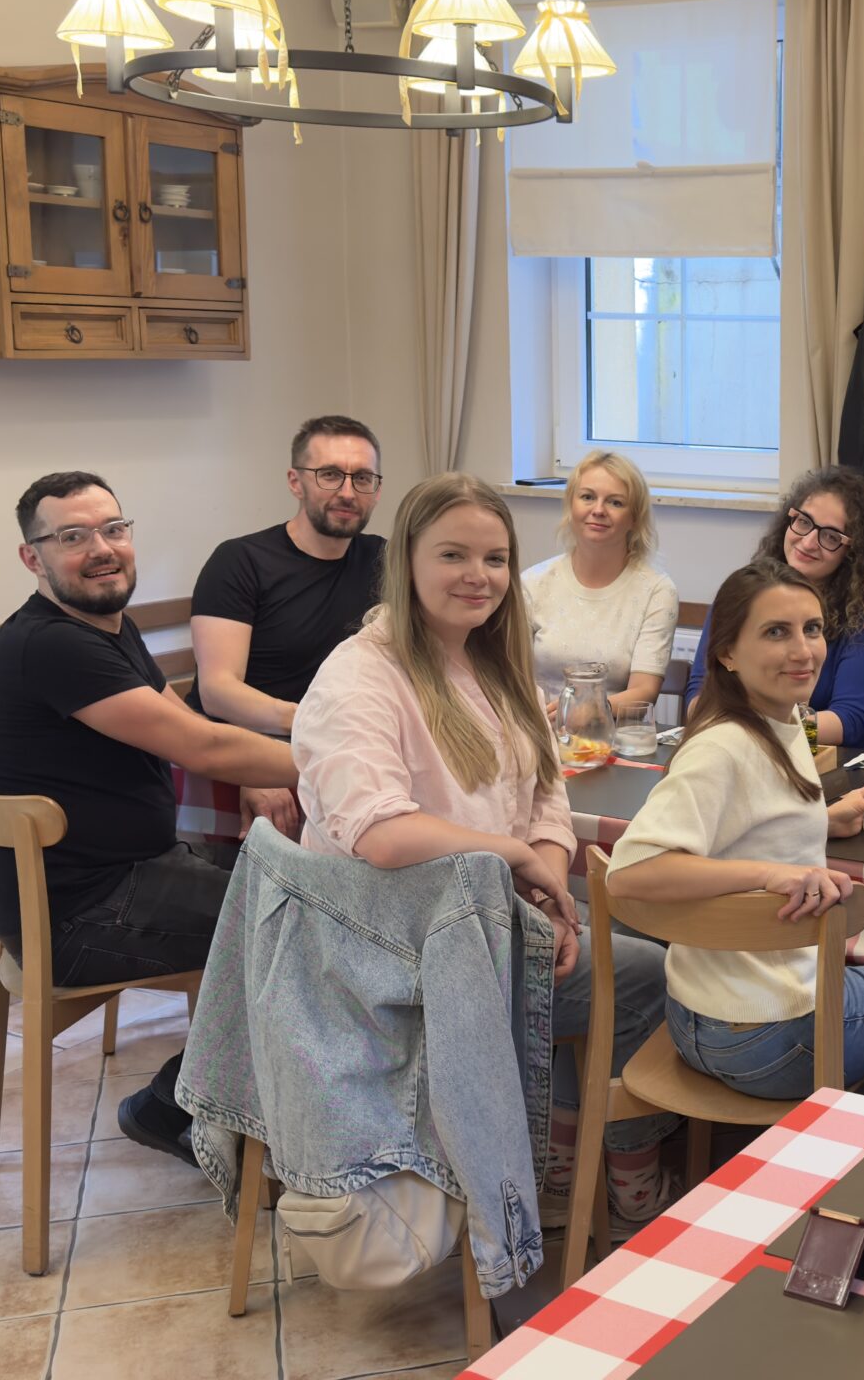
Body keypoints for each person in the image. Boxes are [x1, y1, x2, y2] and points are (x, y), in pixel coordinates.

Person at [292, 473, 681, 1227]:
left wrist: (546, 892)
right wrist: (519, 860)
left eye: (496, 559)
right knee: (649, 976)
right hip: (396, 959)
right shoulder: (359, 675)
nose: (479, 576)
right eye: (453, 556)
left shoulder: (494, 664)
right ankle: (612, 1176)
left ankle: (559, 1160)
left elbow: (546, 797)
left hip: (482, 933)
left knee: (624, 945)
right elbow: (381, 833)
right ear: (406, 562)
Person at [0, 471, 297, 1164]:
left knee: (299, 887)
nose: (101, 549)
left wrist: (258, 768)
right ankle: (174, 1107)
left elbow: (179, 722)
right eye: (73, 537)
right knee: (304, 928)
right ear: (32, 558)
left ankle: (250, 1105)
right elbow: (202, 747)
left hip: (129, 874)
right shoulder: (54, 644)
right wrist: (347, 761)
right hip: (83, 917)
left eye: (113, 529)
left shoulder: (102, 626)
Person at [608, 560, 864, 1099]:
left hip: (702, 1014)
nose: (804, 650)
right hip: (762, 1034)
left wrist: (822, 819)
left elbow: (749, 817)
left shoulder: (784, 721)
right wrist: (769, 873)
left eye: (812, 629)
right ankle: (843, 1133)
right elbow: (630, 872)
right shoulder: (722, 746)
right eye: (776, 632)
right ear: (727, 652)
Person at [185, 416, 389, 844]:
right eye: (329, 475)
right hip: (249, 749)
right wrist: (304, 732)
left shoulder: (384, 560)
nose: (347, 492)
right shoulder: (240, 561)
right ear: (296, 482)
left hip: (345, 751)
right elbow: (217, 691)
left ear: (377, 489)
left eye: (362, 478)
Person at [686, 467, 864, 748]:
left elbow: (849, 722)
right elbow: (700, 695)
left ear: (853, 552)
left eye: (831, 537)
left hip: (850, 760)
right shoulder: (742, 592)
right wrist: (745, 733)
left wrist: (762, 731)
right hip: (753, 744)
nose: (809, 542)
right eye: (803, 522)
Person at [522, 450, 678, 708]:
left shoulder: (657, 591)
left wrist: (585, 713)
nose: (598, 510)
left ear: (635, 518)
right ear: (571, 506)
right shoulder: (532, 582)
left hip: (612, 729)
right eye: (587, 497)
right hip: (537, 723)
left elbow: (644, 690)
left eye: (615, 502)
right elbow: (510, 676)